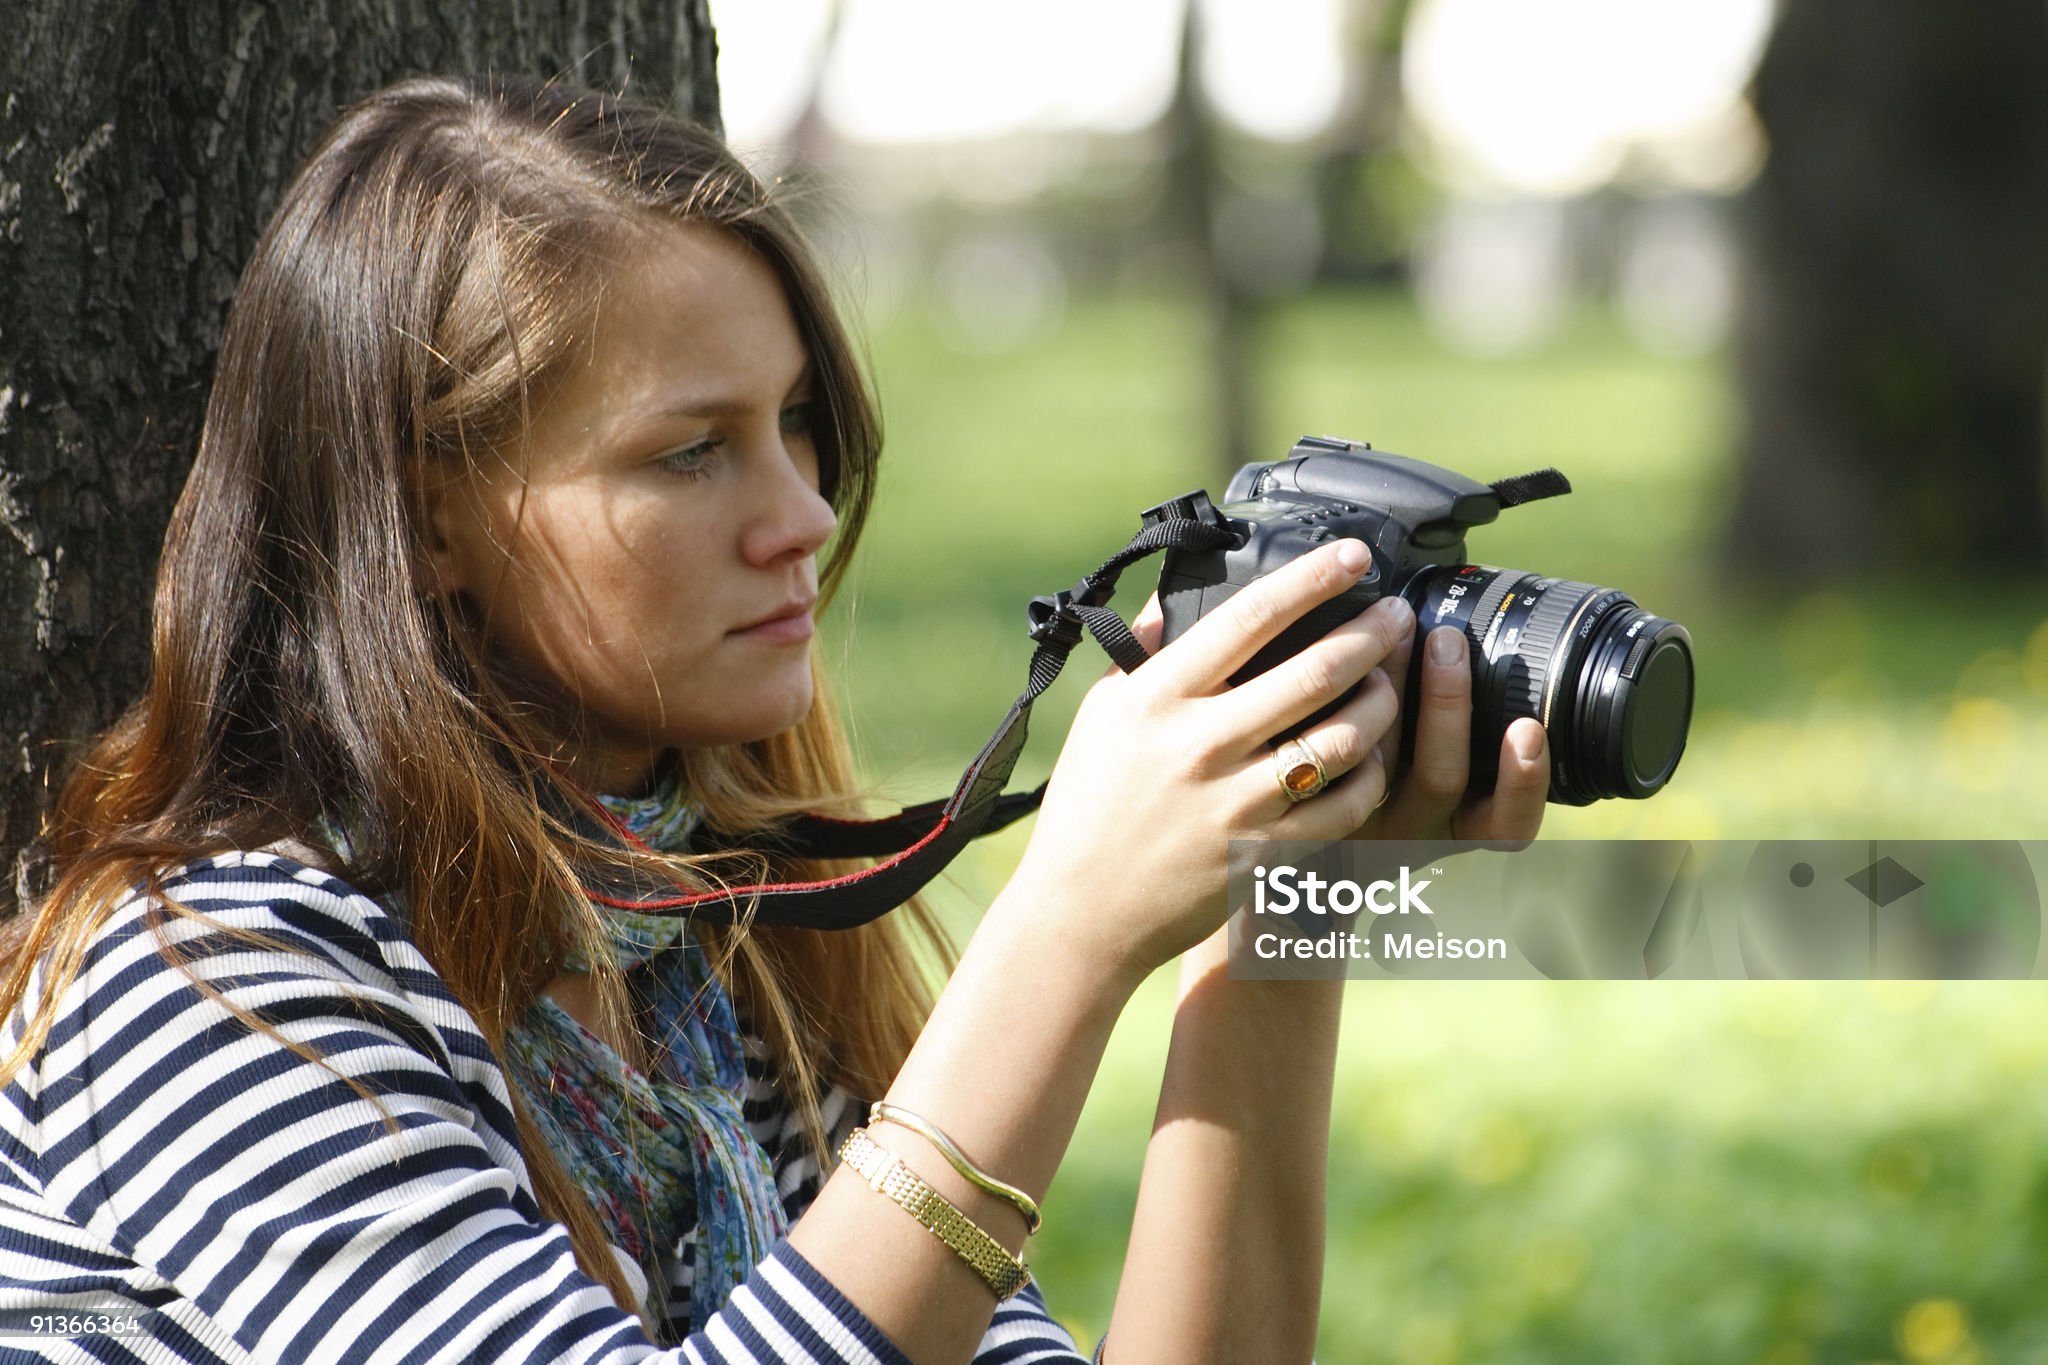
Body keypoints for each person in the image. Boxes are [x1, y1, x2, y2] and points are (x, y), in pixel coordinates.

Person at [0, 76, 1549, 1364]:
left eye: (797, 421)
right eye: (689, 454)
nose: (802, 512)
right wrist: (1062, 930)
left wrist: (1273, 920)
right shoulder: (211, 979)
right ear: (425, 522)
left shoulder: (716, 951)